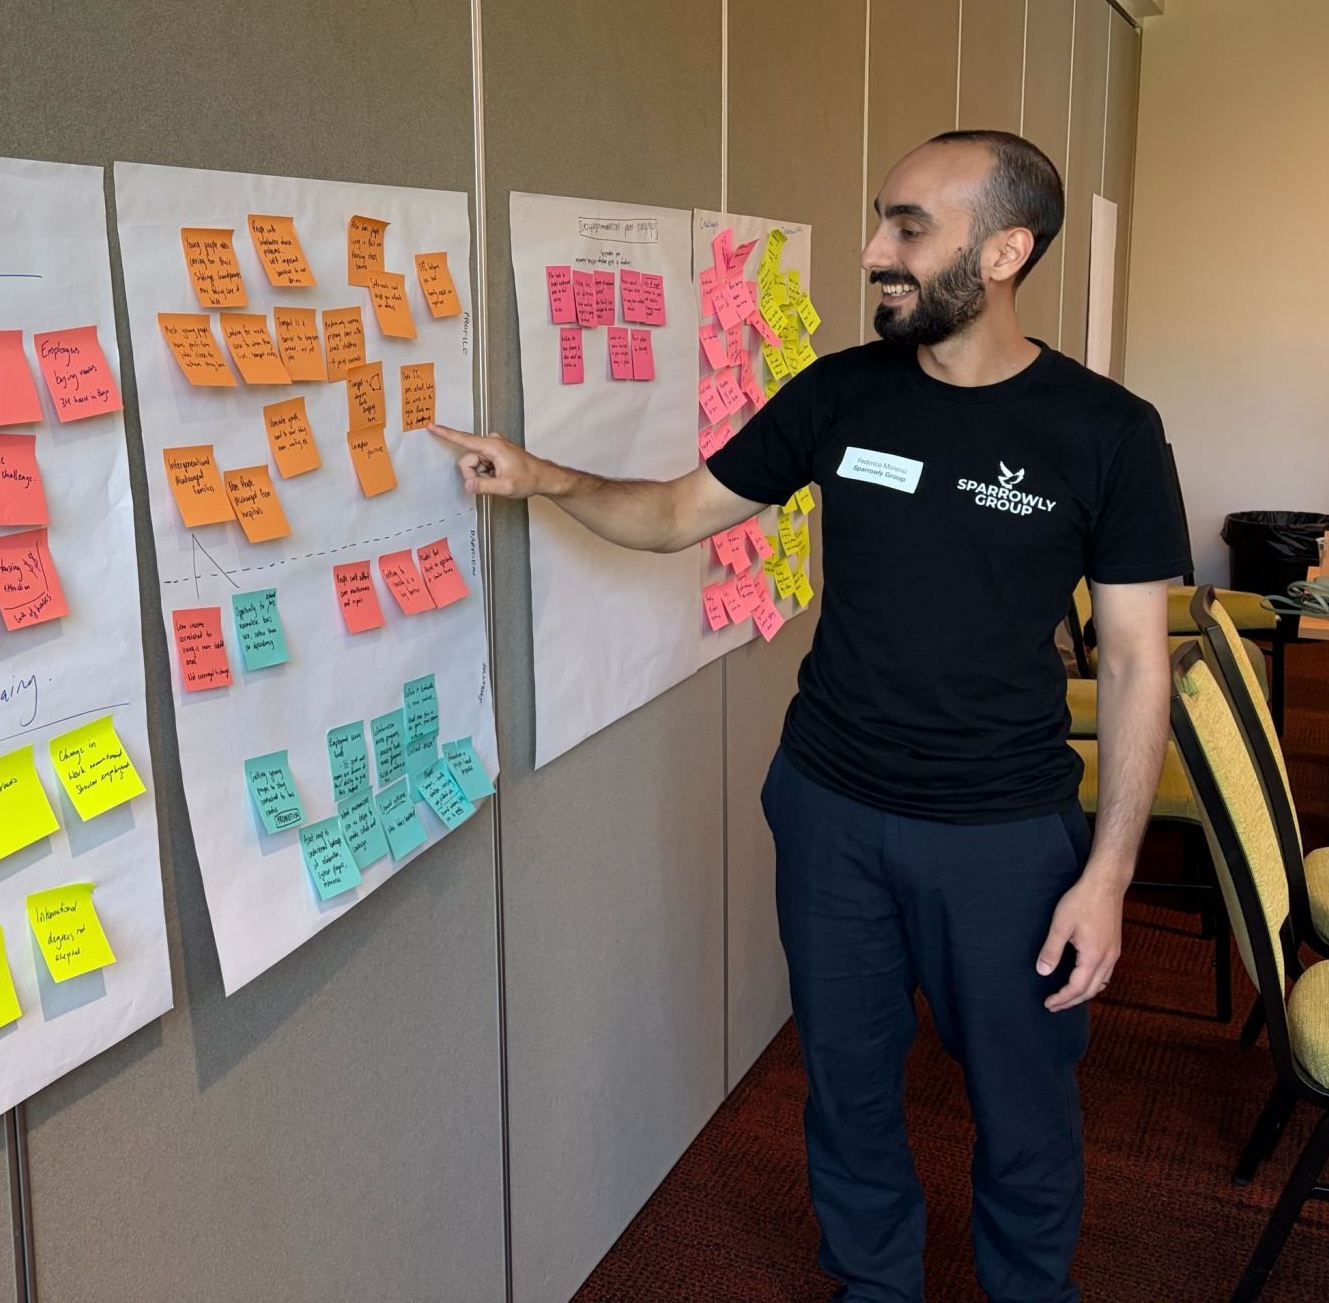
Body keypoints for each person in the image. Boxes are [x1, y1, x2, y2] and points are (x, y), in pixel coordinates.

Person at [430, 130, 1189, 1303]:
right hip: (830, 807)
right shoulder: (839, 392)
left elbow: (1139, 663)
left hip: (1000, 835)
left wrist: (1107, 874)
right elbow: (681, 511)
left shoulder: (1104, 433)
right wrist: (545, 479)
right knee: (843, 1084)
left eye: (906, 229)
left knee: (1022, 1102)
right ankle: (873, 1286)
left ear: (1003, 250)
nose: (874, 252)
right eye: (879, 220)